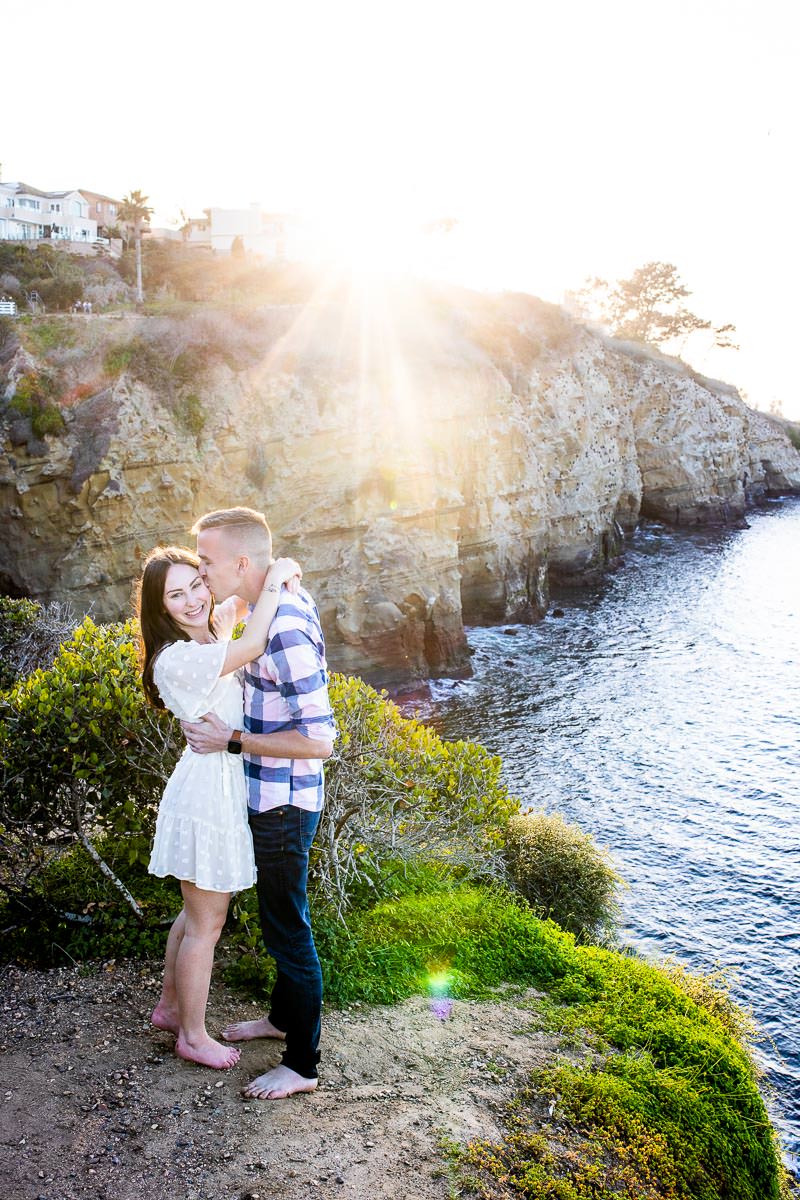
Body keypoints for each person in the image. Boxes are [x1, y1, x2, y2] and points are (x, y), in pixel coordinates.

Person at [181, 507, 336, 1101]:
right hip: (267, 796)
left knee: (287, 928)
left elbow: (320, 740)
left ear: (242, 563)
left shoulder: (284, 624)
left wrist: (234, 740)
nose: (201, 573)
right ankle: (281, 1021)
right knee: (277, 921)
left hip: (283, 805)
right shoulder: (260, 605)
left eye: (208, 562)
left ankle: (303, 1064)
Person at [137, 544, 301, 1070]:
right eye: (175, 595)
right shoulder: (181, 657)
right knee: (207, 923)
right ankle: (191, 1035)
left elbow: (232, 609)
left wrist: (246, 585)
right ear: (158, 607)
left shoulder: (205, 632)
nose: (190, 600)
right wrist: (277, 575)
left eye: (195, 585)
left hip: (216, 784)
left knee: (194, 913)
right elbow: (253, 643)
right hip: (208, 793)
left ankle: (169, 1008)